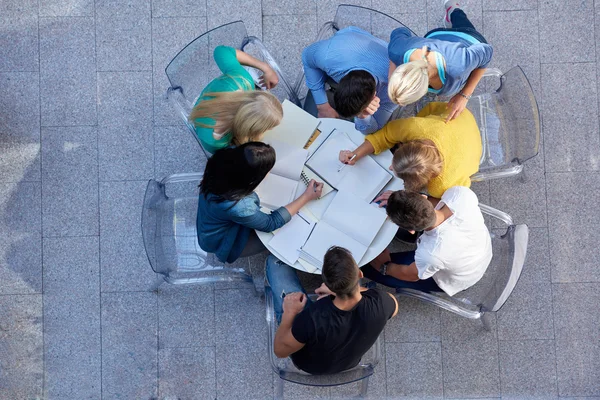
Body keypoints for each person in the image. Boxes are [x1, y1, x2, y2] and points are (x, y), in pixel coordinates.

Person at [268, 246, 398, 375]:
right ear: (360, 274)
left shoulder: (312, 317)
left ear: (328, 284)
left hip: (309, 365)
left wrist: (289, 313)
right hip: (350, 362)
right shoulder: (381, 302)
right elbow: (395, 307)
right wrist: (346, 290)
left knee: (275, 262)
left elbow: (280, 351)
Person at [197, 142, 323, 263]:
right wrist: (306, 196)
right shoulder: (241, 207)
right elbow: (271, 223)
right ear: (251, 179)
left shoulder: (223, 157)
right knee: (278, 237)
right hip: (223, 239)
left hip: (211, 217)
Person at [362, 187, 492, 296]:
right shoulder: (461, 195)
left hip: (464, 276)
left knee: (366, 265)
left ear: (411, 230)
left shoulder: (431, 254)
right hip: (481, 247)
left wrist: (384, 267)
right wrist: (404, 202)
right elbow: (438, 201)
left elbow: (411, 275)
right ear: (423, 198)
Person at [339, 101, 481, 199]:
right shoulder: (415, 127)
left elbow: (457, 199)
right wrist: (355, 154)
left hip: (471, 150)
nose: (390, 166)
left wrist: (408, 198)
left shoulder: (442, 186)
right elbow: (385, 134)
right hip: (460, 115)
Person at [387, 1, 493, 122]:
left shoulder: (458, 64)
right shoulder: (396, 51)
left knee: (461, 20)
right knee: (458, 19)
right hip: (436, 35)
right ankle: (452, 12)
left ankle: (452, 8)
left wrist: (464, 95)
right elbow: (400, 31)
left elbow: (487, 52)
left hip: (468, 37)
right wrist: (392, 72)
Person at [301, 26, 398, 134]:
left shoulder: (394, 90)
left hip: (378, 53)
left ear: (375, 95)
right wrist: (322, 106)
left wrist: (363, 115)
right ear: (341, 80)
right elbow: (307, 57)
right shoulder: (328, 56)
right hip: (344, 45)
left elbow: (374, 129)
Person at [189, 45, 283, 154]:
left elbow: (221, 51)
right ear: (248, 130)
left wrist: (265, 67)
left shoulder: (242, 80)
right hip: (203, 115)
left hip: (211, 97)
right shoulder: (214, 141)